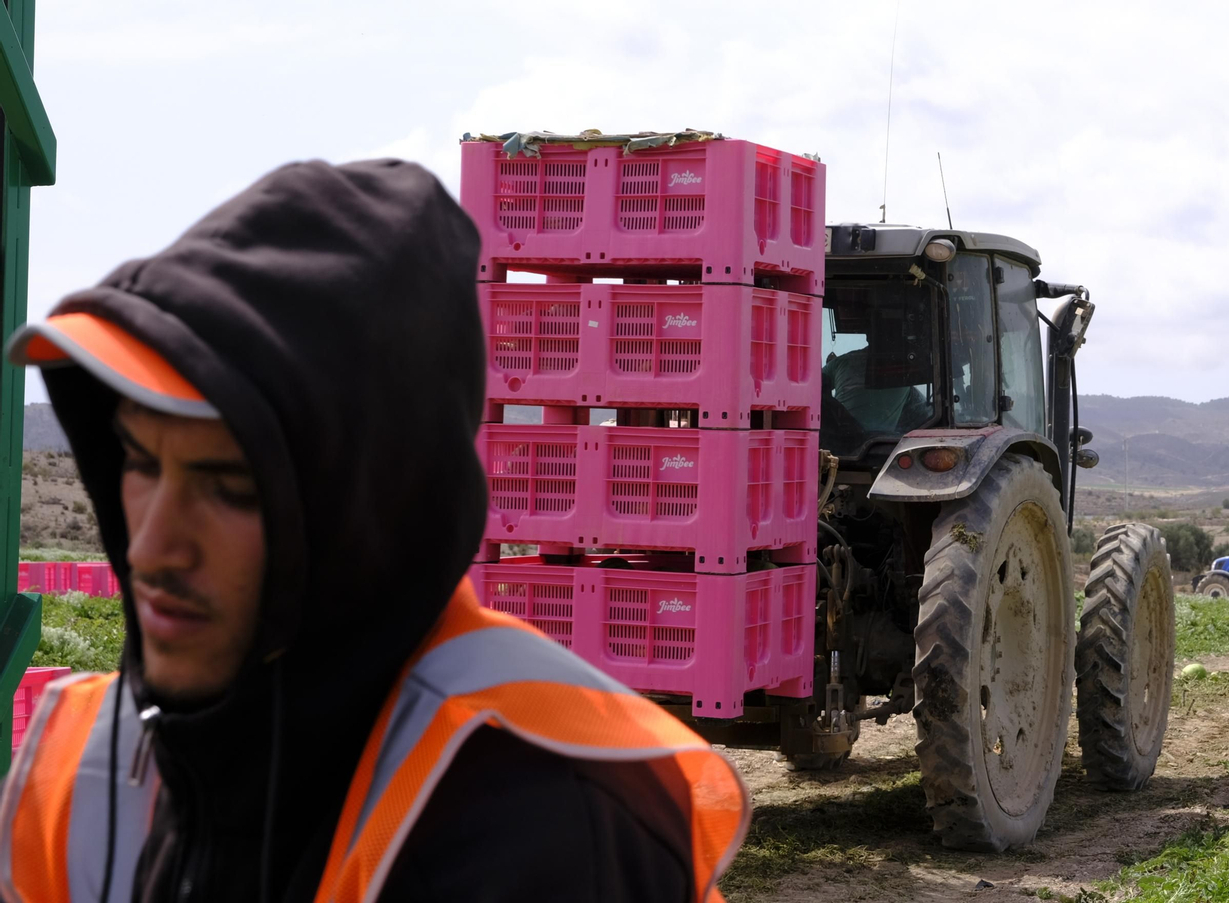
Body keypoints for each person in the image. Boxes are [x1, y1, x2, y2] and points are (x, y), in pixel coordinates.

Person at [0, 160, 747, 902]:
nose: (152, 548)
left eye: (228, 487)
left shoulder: (536, 818)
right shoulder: (91, 776)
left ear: (365, 514)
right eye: (139, 462)